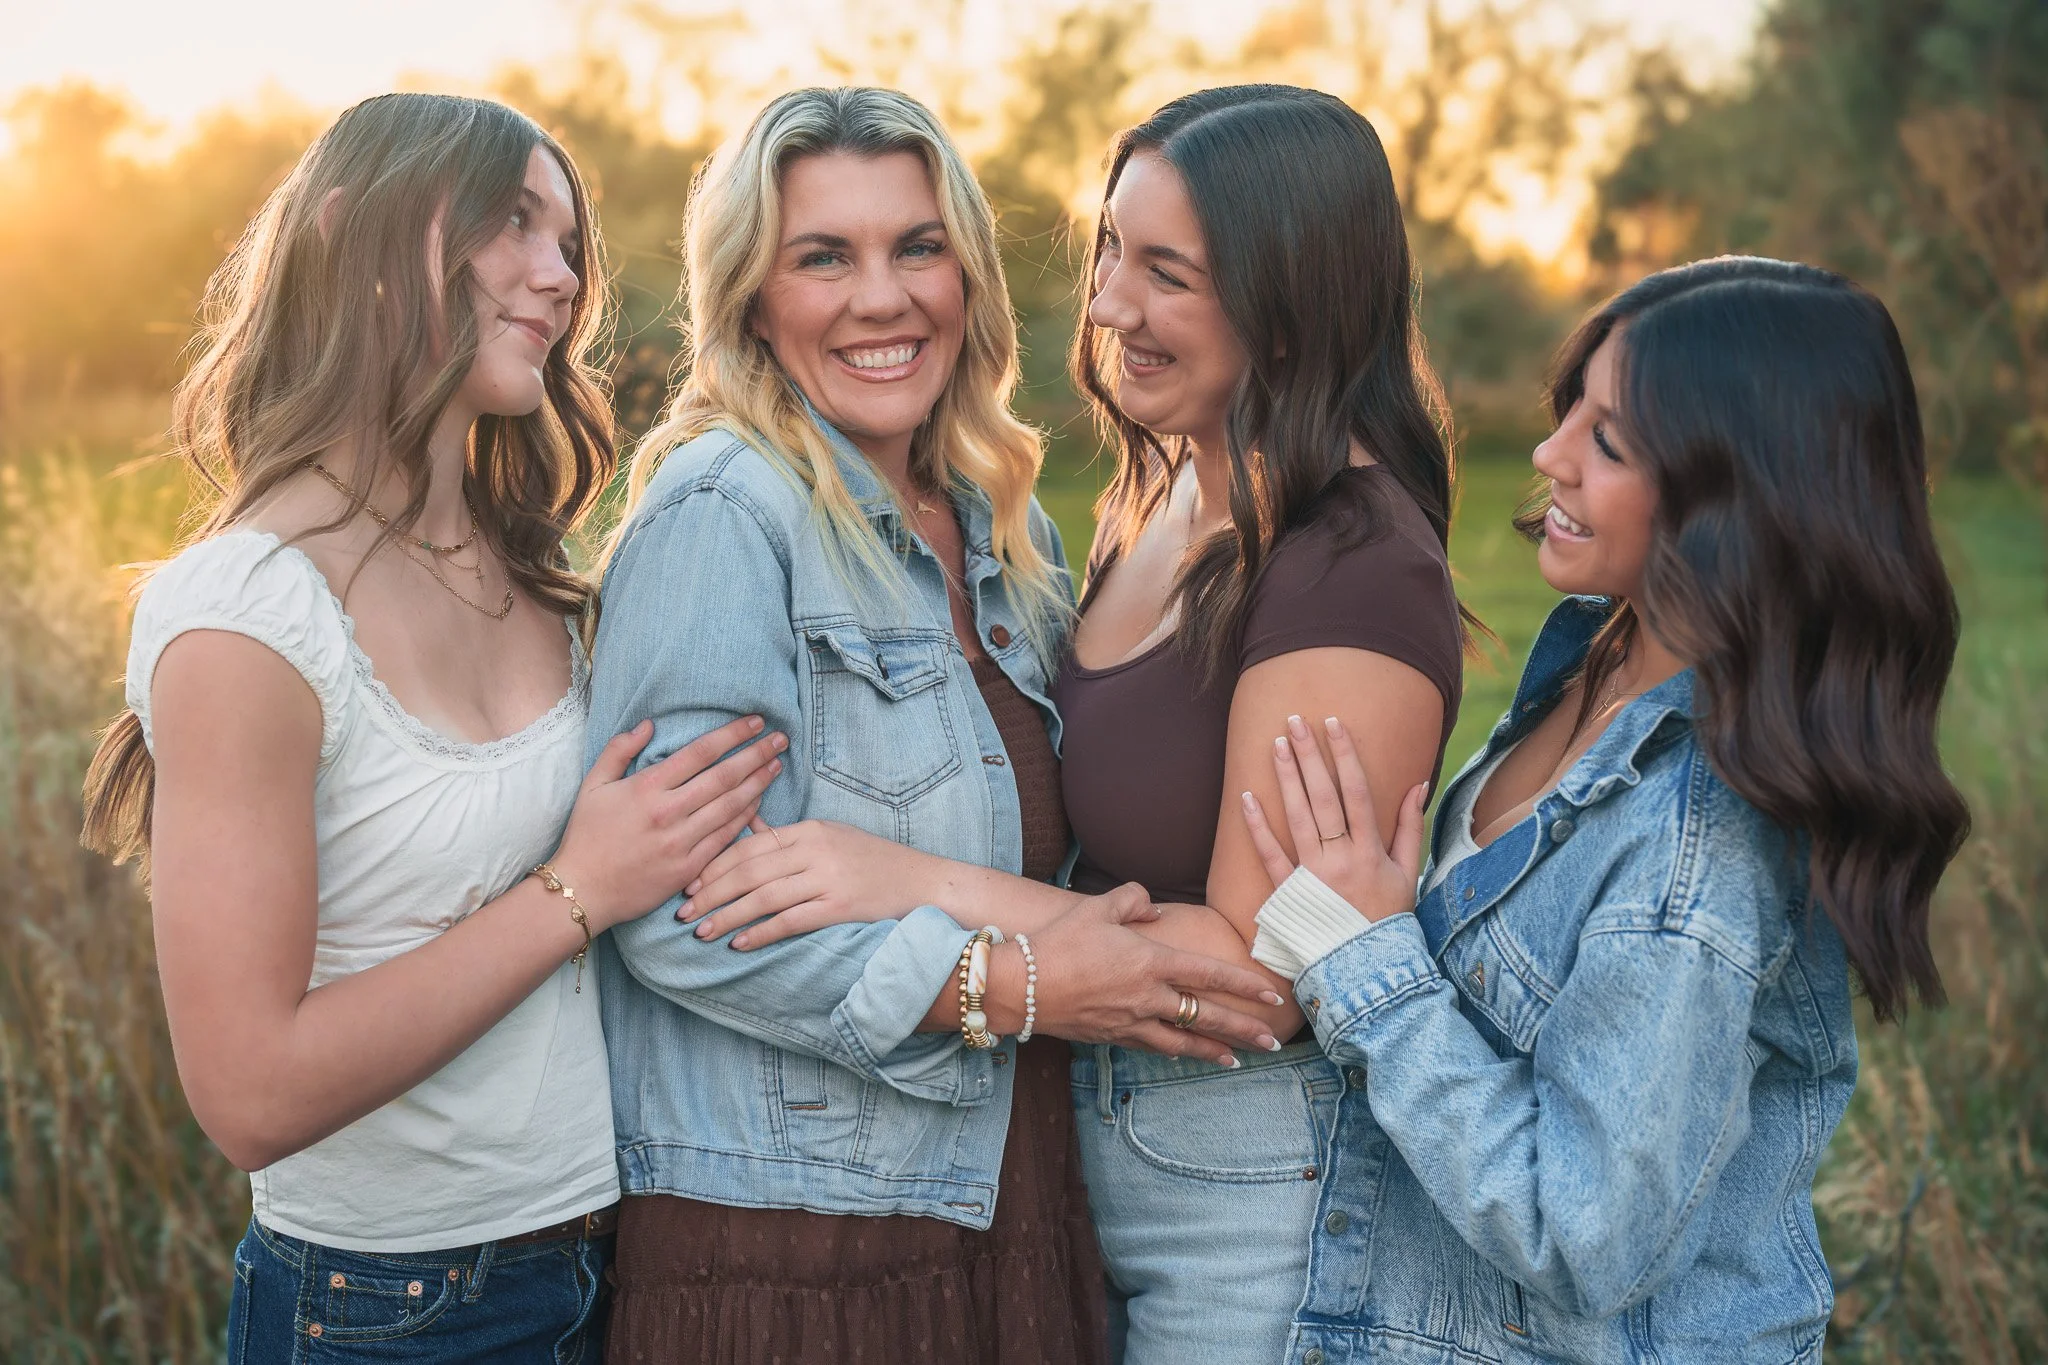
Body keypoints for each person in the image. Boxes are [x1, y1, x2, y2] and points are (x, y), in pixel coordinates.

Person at [679, 84, 1469, 1363]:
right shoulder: (1155, 495)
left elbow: (1267, 976)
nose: (1106, 307)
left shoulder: (1347, 564)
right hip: (1089, 1149)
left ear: (1291, 300)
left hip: (1243, 1189)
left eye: (1168, 275)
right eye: (1111, 250)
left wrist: (900, 883)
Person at [586, 86, 1285, 1364]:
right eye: (821, 257)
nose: (882, 297)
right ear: (750, 296)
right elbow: (670, 917)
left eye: (917, 247)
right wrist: (1006, 983)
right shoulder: (725, 515)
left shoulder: (1009, 534)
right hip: (793, 1243)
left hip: (1008, 1198)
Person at [81, 93, 782, 1361]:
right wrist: (579, 887)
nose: (559, 276)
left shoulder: (532, 571)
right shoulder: (247, 614)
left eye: (568, 241)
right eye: (511, 224)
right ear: (357, 238)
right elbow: (248, 1093)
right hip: (385, 1309)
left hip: (609, 1263)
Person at [1242, 256, 1970, 1363]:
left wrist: (1368, 964)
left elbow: (1577, 1234)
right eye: (1569, 405)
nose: (1547, 453)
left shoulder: (1699, 845)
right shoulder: (1597, 655)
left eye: (1609, 440)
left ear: (1741, 494)